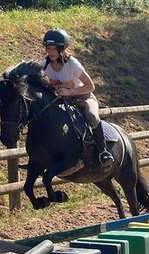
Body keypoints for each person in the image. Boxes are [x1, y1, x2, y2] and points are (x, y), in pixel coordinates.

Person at [41, 28, 114, 168]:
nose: (50, 52)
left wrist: (69, 92)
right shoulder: (44, 65)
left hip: (84, 97)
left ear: (61, 49)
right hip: (63, 101)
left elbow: (90, 86)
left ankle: (103, 152)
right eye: (48, 48)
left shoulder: (72, 64)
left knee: (92, 116)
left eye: (53, 49)